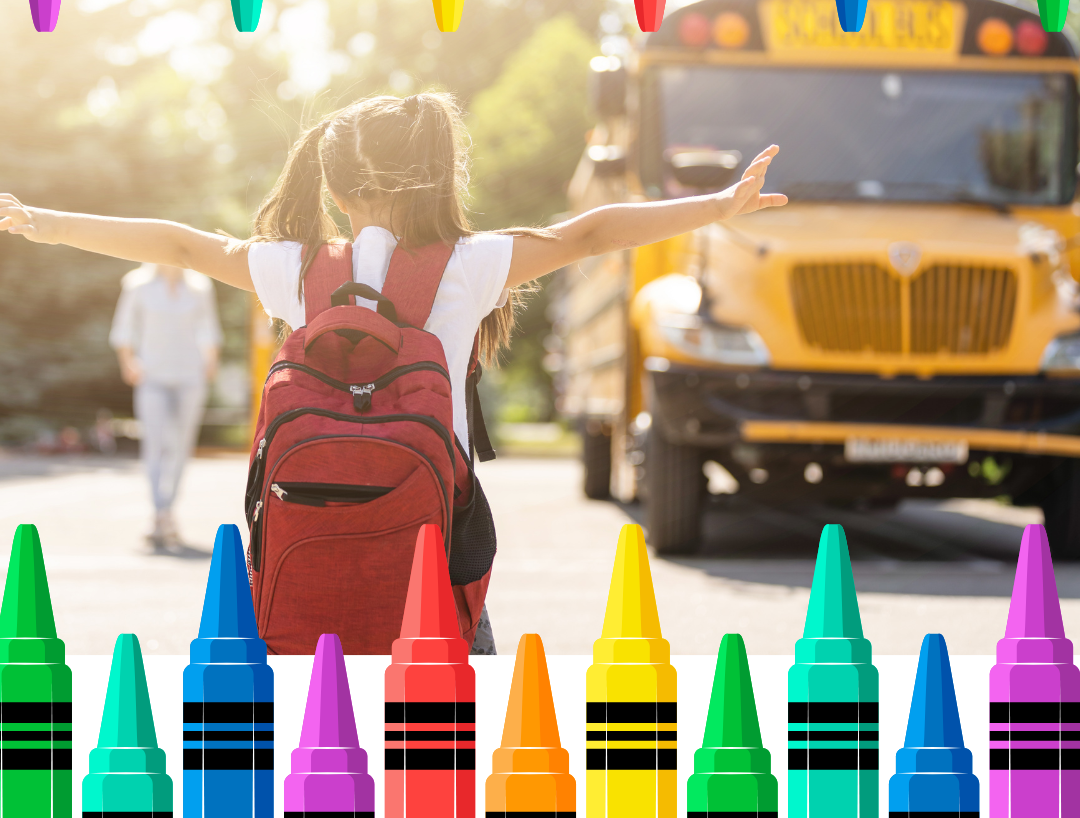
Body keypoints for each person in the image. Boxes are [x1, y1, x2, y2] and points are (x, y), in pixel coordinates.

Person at [1, 92, 785, 645]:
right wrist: (714, 206)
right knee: (448, 708)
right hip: (433, 529)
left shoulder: (296, 268)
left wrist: (44, 223)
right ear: (433, 176)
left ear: (332, 186)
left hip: (309, 524)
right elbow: (587, 234)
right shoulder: (469, 264)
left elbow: (176, 242)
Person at [109, 263, 222, 549]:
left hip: (190, 376)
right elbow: (124, 327)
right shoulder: (137, 284)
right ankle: (160, 513)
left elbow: (208, 327)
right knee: (155, 444)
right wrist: (128, 360)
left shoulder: (200, 285)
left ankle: (169, 510)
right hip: (152, 376)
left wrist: (210, 360)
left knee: (181, 445)